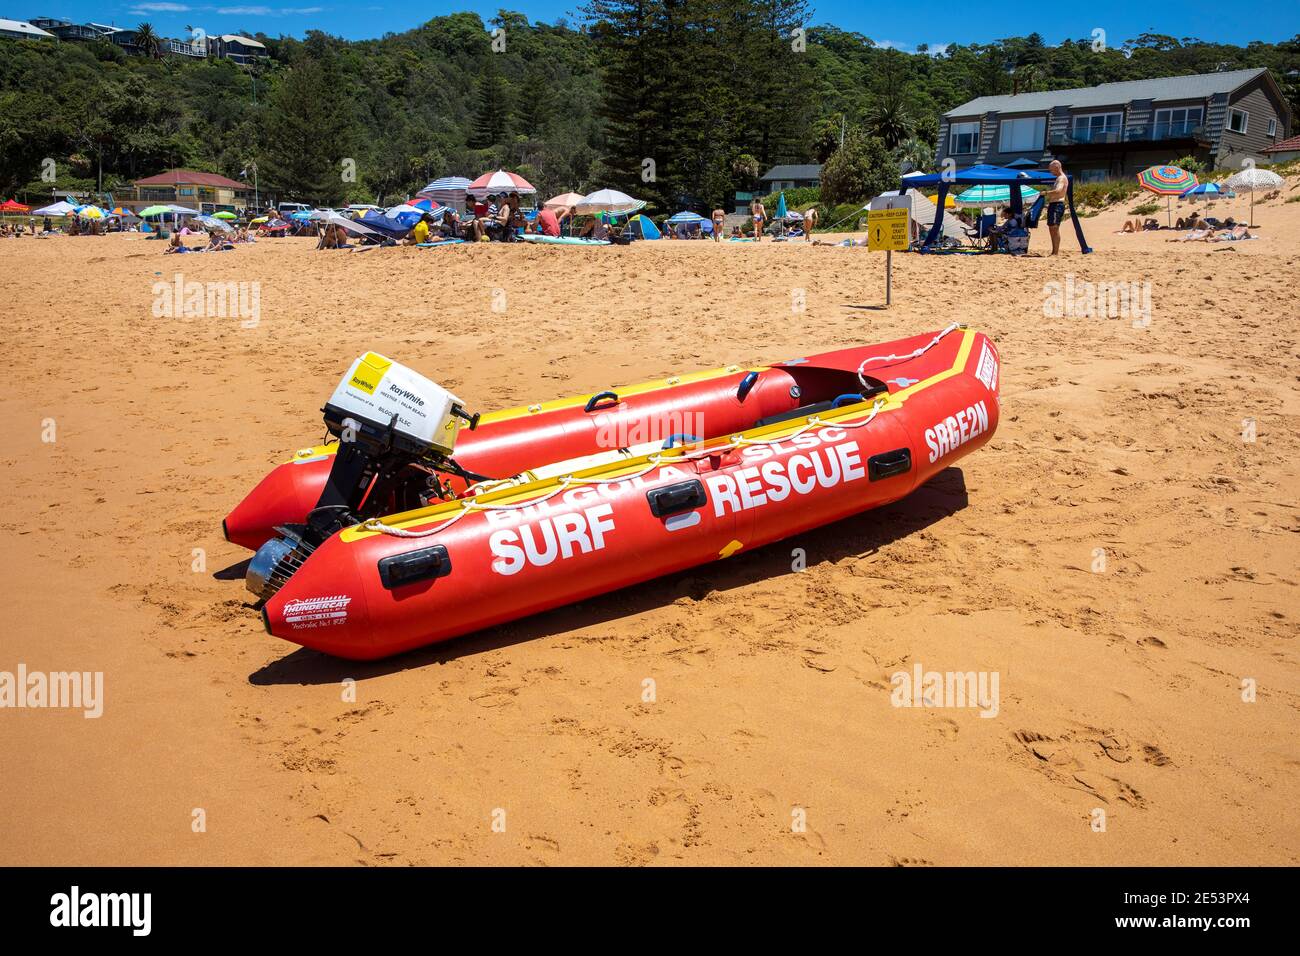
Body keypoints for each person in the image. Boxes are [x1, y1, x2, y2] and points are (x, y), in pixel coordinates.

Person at [1044, 159, 1069, 255]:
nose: (1051, 172)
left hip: (1057, 204)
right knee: (1052, 227)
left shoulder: (1061, 178)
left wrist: (1046, 193)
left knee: (1054, 227)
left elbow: (1058, 190)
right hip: (1054, 204)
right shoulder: (1059, 178)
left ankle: (1055, 252)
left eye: (1052, 170)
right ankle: (1054, 251)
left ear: (1057, 167)